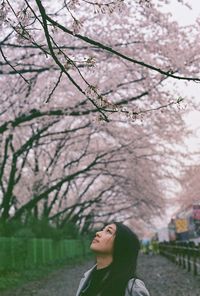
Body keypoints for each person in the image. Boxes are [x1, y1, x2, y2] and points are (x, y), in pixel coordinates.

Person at [76, 222, 150, 296]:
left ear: (121, 244)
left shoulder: (133, 287)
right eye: (102, 230)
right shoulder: (87, 277)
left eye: (108, 231)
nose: (98, 233)